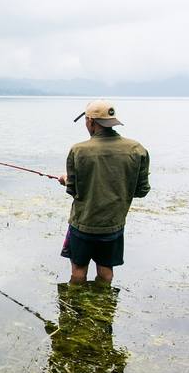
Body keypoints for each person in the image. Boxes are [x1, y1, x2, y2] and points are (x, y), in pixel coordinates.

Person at [58, 100, 150, 285]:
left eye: (86, 120)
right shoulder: (137, 149)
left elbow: (73, 190)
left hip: (83, 224)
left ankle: (74, 309)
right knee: (106, 272)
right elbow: (141, 191)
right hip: (114, 225)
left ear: (91, 122)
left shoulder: (79, 150)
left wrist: (65, 180)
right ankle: (104, 310)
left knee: (78, 271)